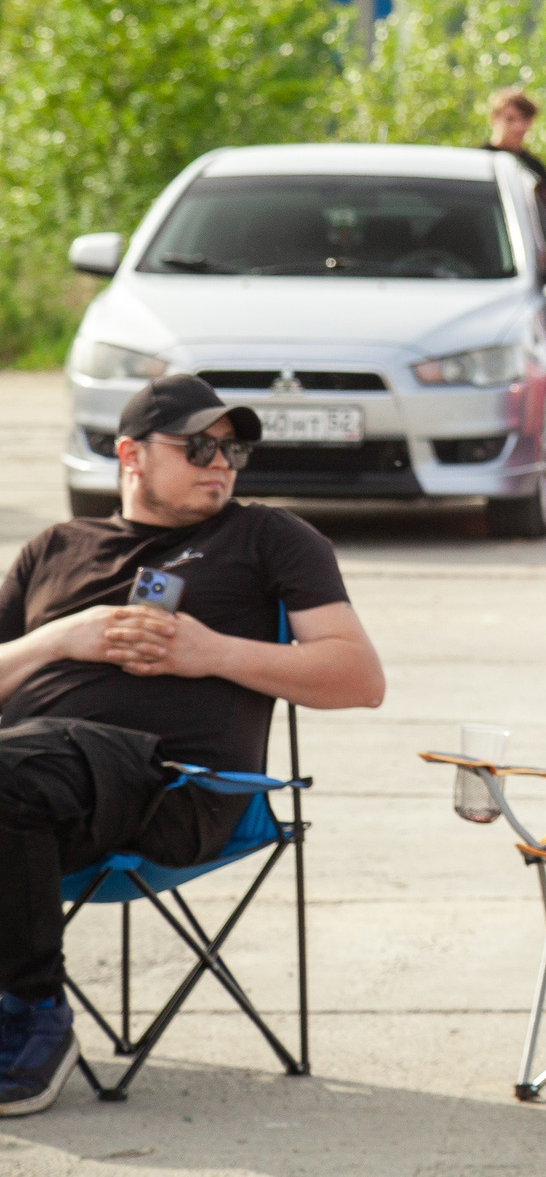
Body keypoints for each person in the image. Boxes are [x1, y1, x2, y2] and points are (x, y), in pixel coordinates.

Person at [0, 376, 385, 1115]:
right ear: (130, 454)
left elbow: (360, 677)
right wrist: (62, 637)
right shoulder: (55, 547)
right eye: (199, 444)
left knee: (14, 770)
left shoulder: (266, 535)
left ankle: (33, 1011)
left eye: (233, 446)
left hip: (172, 787)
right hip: (37, 790)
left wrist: (210, 653)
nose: (222, 462)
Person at [483, 87, 546, 243]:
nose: (518, 126)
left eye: (524, 118)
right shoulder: (481, 159)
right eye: (510, 119)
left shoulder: (534, 167)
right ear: (494, 119)